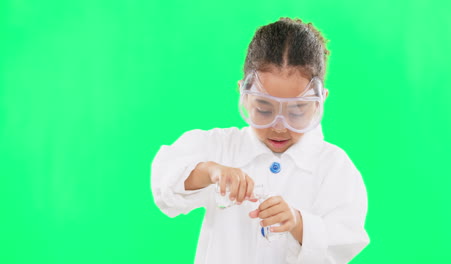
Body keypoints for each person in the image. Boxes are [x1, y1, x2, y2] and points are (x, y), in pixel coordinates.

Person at [151, 17, 370, 264]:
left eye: (296, 112)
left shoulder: (333, 166)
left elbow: (344, 241)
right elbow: (164, 182)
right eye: (264, 109)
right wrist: (209, 171)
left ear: (320, 101)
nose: (279, 126)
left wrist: (298, 223)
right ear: (244, 94)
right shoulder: (221, 147)